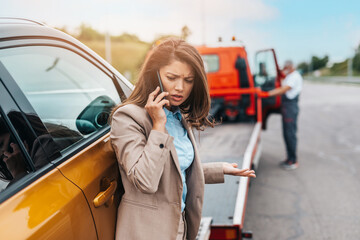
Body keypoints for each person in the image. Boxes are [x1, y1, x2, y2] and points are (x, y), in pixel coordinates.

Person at [110, 38, 256, 240]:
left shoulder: (177, 115)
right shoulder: (128, 117)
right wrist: (158, 127)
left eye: (188, 80)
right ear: (155, 75)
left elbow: (172, 174)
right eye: (172, 77)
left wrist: (219, 169)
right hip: (149, 232)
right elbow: (145, 181)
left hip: (180, 226)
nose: (180, 87)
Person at [261, 60, 303, 170]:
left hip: (290, 107)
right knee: (286, 134)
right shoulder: (289, 76)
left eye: (285, 67)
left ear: (290, 67)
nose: (284, 69)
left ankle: (293, 161)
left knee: (290, 134)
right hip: (286, 107)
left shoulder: (294, 77)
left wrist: (267, 94)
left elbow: (284, 89)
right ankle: (289, 158)